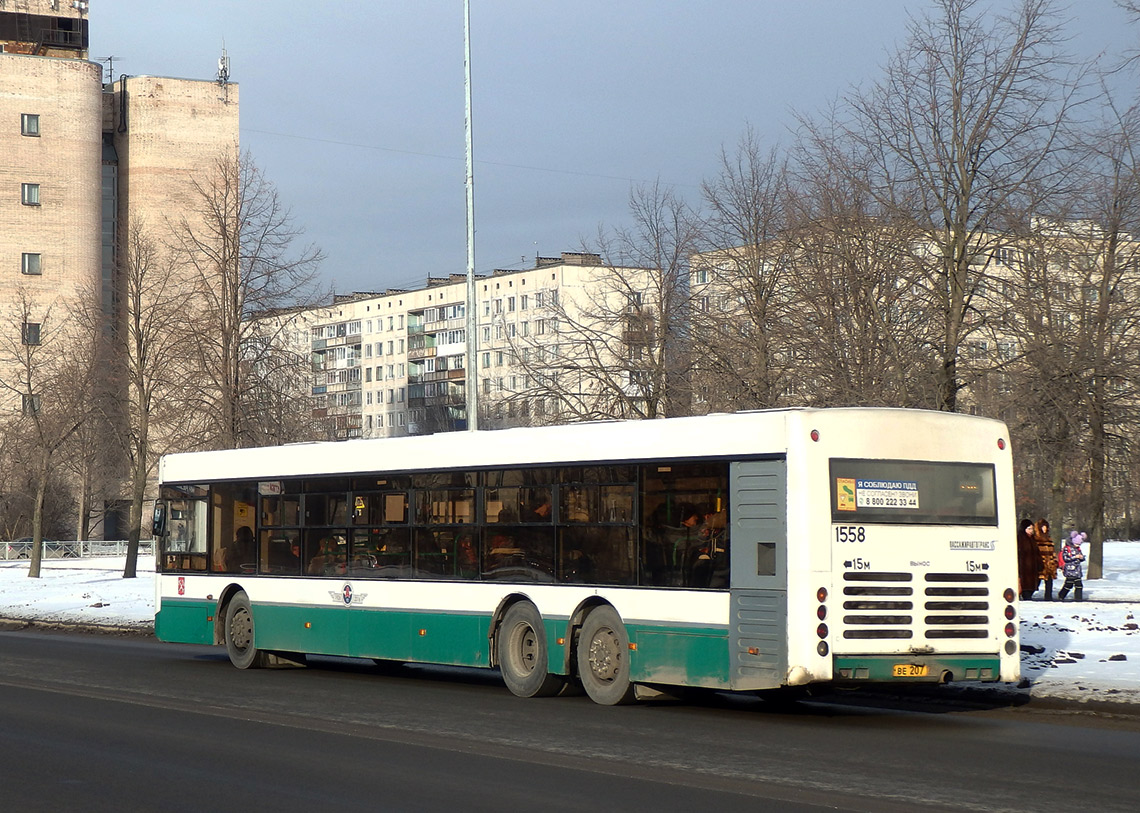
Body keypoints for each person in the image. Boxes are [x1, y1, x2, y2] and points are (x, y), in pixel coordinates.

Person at [1057, 530, 1087, 601]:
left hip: (1077, 570)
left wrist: (1081, 557)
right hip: (1070, 569)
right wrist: (1075, 557)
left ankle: (1078, 599)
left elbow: (1081, 558)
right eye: (1077, 544)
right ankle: (1061, 595)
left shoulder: (1078, 549)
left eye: (1079, 544)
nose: (1078, 545)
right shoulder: (1067, 549)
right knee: (1068, 584)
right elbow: (1066, 559)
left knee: (1079, 585)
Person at [1016, 518, 1039, 600]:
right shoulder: (1020, 539)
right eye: (1029, 529)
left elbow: (1036, 553)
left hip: (1032, 568)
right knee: (1025, 586)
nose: (1031, 531)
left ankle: (1028, 596)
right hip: (1023, 567)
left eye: (1032, 529)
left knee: (1031, 587)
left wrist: (1039, 564)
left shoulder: (1032, 539)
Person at [1034, 518, 1057, 601]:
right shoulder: (1035, 539)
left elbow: (1052, 551)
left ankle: (1048, 598)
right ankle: (1027, 595)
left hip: (1049, 564)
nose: (1045, 529)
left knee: (1049, 582)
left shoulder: (1049, 539)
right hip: (1040, 564)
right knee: (1036, 582)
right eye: (1043, 527)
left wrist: (1054, 561)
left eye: (1046, 527)